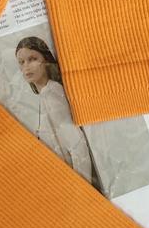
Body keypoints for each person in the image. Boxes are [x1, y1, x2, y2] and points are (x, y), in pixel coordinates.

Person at [15, 37, 105, 194]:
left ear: (46, 60)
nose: (26, 66)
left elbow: (78, 146)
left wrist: (81, 190)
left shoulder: (53, 93)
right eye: (21, 62)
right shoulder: (44, 96)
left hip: (76, 187)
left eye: (32, 59)